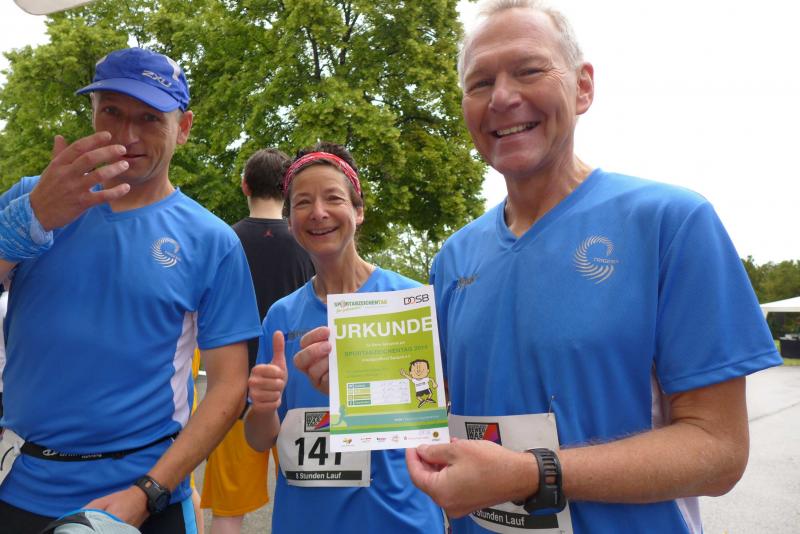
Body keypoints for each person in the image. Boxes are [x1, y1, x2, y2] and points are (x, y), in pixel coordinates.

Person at [403, 1, 783, 534]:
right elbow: (432, 402)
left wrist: (531, 474)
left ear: (583, 87)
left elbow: (719, 451)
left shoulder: (671, 223)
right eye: (480, 82)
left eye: (528, 70)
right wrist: (358, 373)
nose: (502, 97)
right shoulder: (453, 258)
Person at [0, 47, 261, 534]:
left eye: (149, 118)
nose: (127, 135)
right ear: (92, 112)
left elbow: (229, 384)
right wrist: (30, 221)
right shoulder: (34, 198)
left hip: (141, 497)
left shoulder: (212, 240)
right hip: (20, 485)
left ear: (183, 128)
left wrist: (149, 491)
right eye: (112, 112)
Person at [243, 142, 444, 533]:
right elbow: (258, 439)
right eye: (302, 202)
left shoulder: (409, 300)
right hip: (307, 522)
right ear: (290, 221)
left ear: (358, 210)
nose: (318, 212)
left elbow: (437, 413)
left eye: (333, 198)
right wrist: (264, 407)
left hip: (400, 519)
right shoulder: (281, 316)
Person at [201, 148, 314, 534]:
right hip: (298, 395)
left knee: (228, 514)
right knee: (309, 503)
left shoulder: (224, 241)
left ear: (245, 185)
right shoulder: (309, 242)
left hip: (233, 395)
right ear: (288, 189)